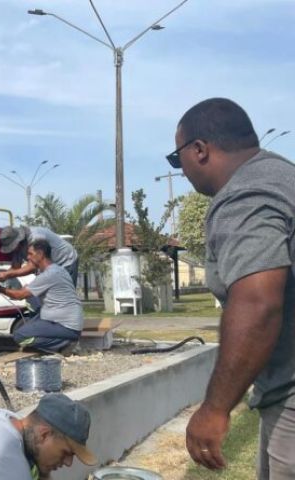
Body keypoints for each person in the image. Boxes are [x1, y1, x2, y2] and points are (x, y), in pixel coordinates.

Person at [171, 98, 295, 478]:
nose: (182, 171)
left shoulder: (245, 195)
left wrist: (215, 407)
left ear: (200, 150)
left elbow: (258, 301)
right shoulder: (282, 176)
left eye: (177, 161)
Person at [0, 239, 83, 352]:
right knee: (31, 298)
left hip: (65, 326)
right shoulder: (58, 270)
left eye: (30, 254)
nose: (28, 257)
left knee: (20, 336)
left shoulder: (49, 275)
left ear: (40, 254)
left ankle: (63, 344)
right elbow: (28, 292)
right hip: (68, 322)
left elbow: (19, 295)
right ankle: (55, 337)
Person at [0, 225, 79, 286]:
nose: (12, 249)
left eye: (12, 246)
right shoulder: (18, 247)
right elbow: (15, 268)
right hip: (50, 267)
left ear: (18, 241)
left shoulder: (36, 238)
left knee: (63, 296)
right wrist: (2, 276)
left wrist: (7, 274)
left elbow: (33, 266)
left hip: (65, 261)